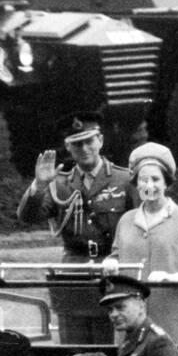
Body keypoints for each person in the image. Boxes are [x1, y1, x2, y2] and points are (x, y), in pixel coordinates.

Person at [18, 116, 139, 343]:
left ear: (100, 140)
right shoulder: (59, 184)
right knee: (75, 350)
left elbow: (141, 225)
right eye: (76, 144)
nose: (84, 149)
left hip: (112, 271)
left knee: (112, 347)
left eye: (89, 141)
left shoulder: (124, 180)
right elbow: (27, 217)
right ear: (67, 147)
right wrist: (40, 185)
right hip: (74, 275)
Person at [102, 142, 178, 342]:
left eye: (155, 179)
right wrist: (111, 263)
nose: (149, 185)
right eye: (143, 180)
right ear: (136, 184)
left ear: (166, 183)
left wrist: (176, 277)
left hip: (172, 320)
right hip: (131, 322)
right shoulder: (126, 220)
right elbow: (117, 256)